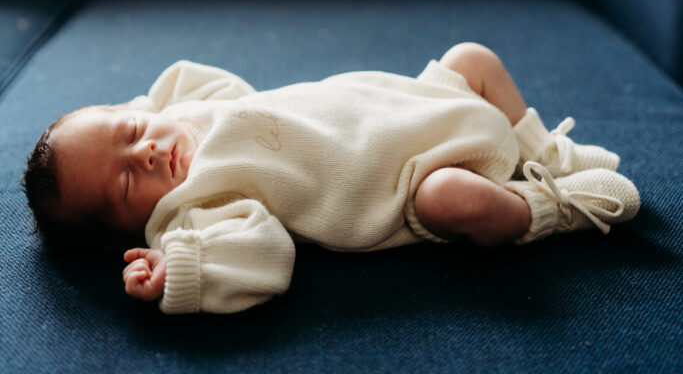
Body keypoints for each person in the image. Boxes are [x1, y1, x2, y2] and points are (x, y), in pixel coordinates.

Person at [22, 43, 640, 315]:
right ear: (131, 227)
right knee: (457, 199)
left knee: (470, 60)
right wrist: (181, 265)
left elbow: (184, 85)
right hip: (404, 180)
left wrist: (127, 123)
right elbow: (263, 258)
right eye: (128, 182)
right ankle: (544, 207)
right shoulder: (192, 209)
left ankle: (547, 151)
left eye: (132, 131)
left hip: (409, 108)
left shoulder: (175, 112)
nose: (150, 153)